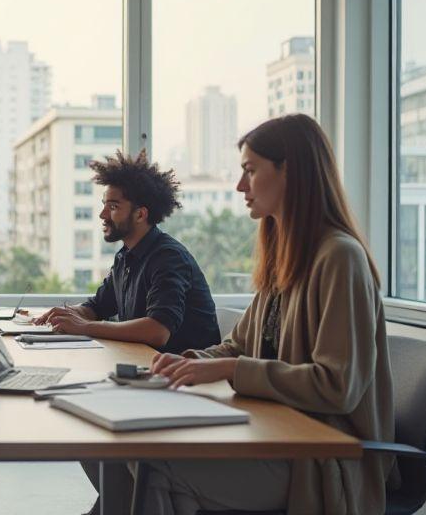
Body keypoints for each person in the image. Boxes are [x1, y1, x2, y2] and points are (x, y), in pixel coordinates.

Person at [143, 114, 395, 514]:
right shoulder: (285, 256)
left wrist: (229, 369)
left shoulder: (340, 257)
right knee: (138, 460)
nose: (240, 186)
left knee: (155, 467)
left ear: (290, 171)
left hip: (319, 457)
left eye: (250, 170)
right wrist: (188, 363)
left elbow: (337, 386)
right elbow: (238, 346)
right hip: (272, 432)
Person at [32, 150, 220, 515]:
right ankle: (114, 504)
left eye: (113, 206)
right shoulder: (126, 256)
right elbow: (97, 305)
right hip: (149, 378)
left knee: (88, 415)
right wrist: (67, 315)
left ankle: (116, 504)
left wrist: (85, 326)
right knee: (77, 412)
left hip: (185, 384)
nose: (103, 214)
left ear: (141, 213)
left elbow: (158, 331)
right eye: (104, 204)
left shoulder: (168, 257)